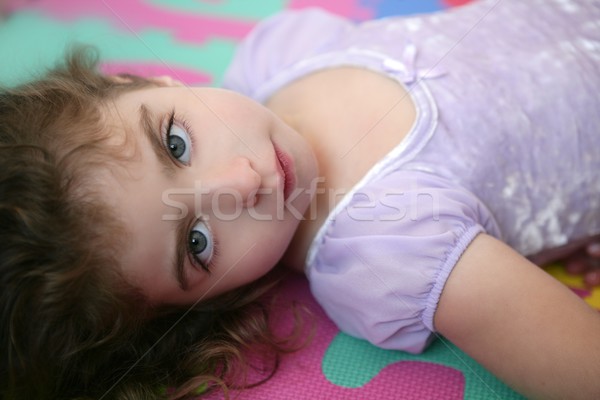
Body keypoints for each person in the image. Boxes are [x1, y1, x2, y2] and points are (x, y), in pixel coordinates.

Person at [1, 0, 600, 398]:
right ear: (205, 303)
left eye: (176, 142)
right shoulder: (386, 252)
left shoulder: (279, 55)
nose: (241, 180)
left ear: (148, 84)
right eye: (197, 242)